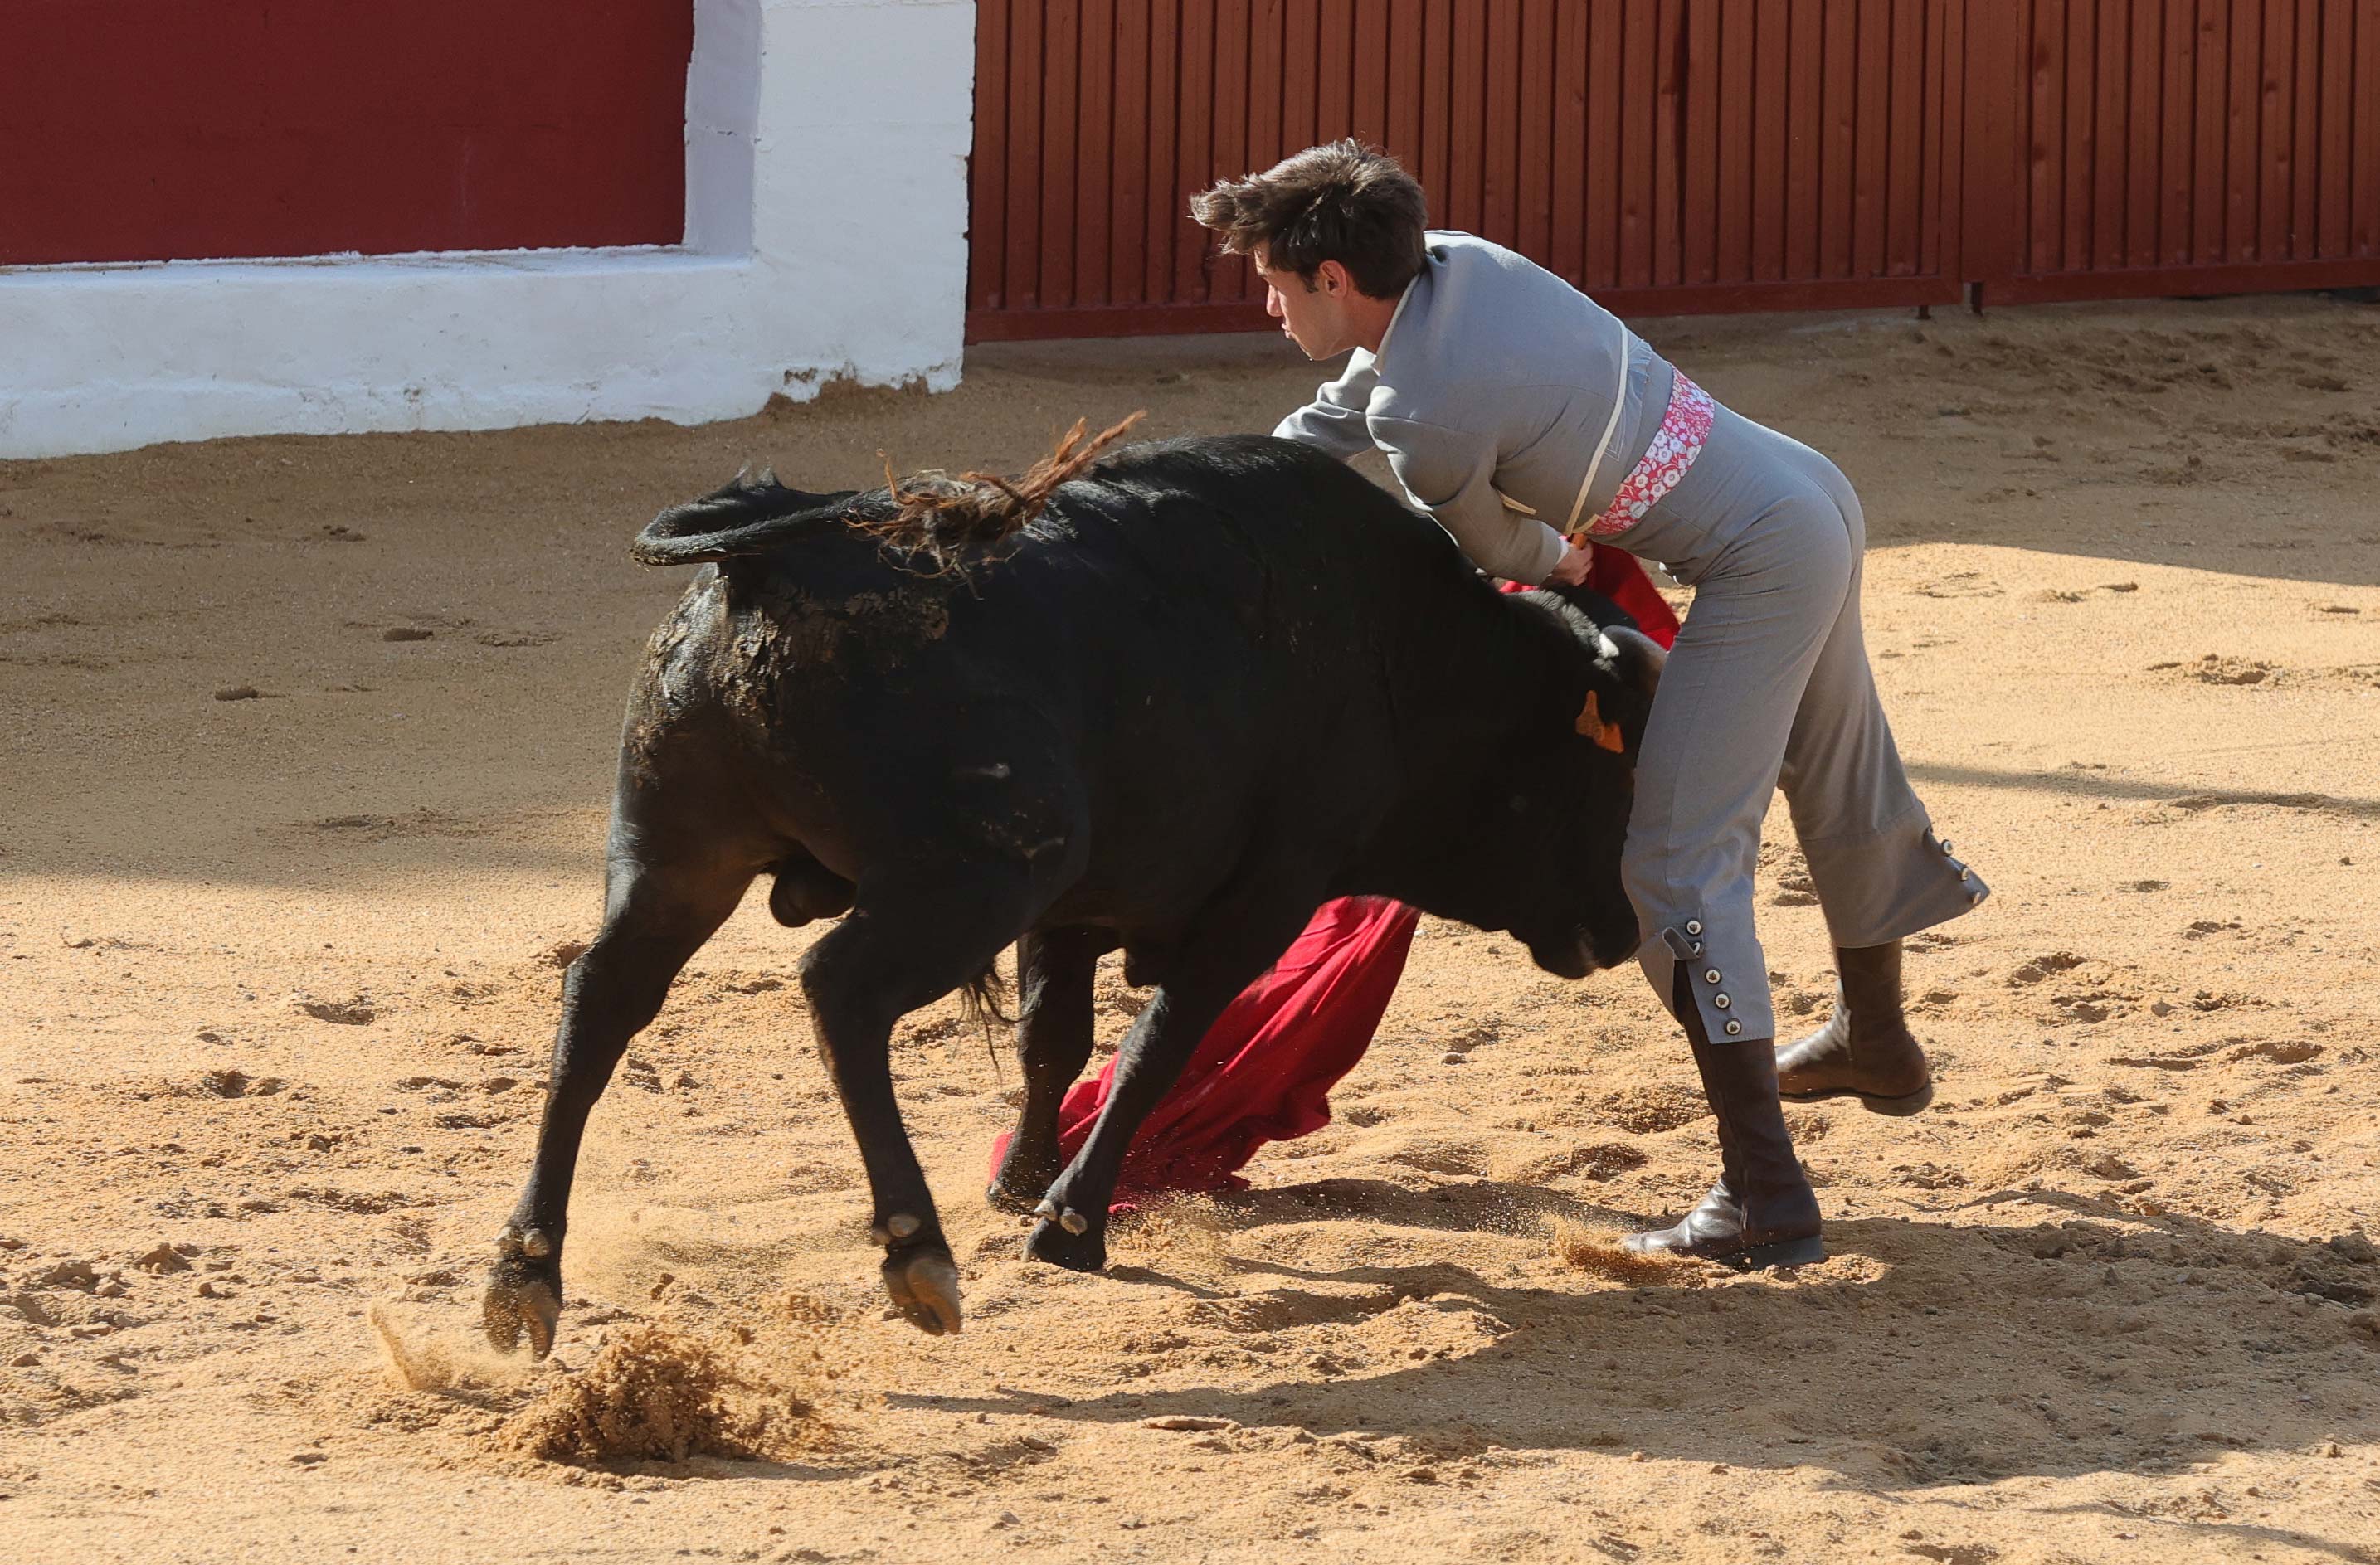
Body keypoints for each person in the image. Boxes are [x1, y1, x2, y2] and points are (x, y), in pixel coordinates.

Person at [1190, 141, 1988, 1267]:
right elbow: (1353, 405)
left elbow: (1508, 549)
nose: (1265, 304)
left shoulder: (1425, 419)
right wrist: (1244, 471)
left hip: (1762, 557)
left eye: (1273, 280)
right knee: (1836, 770)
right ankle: (1875, 1037)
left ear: (1332, 279)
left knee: (1670, 865)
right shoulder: (1460, 265)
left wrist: (1556, 553)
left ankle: (1762, 1193)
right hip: (1806, 488)